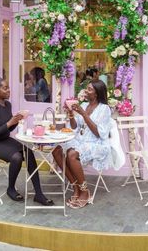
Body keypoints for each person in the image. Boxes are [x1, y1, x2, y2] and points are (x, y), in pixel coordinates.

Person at [0, 73, 54, 205]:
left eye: (8, 88)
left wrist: (17, 121)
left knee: (28, 152)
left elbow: (9, 129)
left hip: (2, 140)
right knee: (16, 157)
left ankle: (39, 194)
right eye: (5, 88)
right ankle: (10, 189)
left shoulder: (8, 105)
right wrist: (9, 123)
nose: (8, 90)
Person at [52, 80, 112, 209]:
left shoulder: (104, 109)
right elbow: (75, 127)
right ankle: (76, 188)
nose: (86, 91)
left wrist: (83, 114)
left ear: (96, 94)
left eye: (89, 89)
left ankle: (85, 191)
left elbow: (98, 133)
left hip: (97, 143)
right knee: (56, 150)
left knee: (71, 154)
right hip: (80, 140)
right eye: (86, 88)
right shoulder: (84, 105)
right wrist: (71, 115)